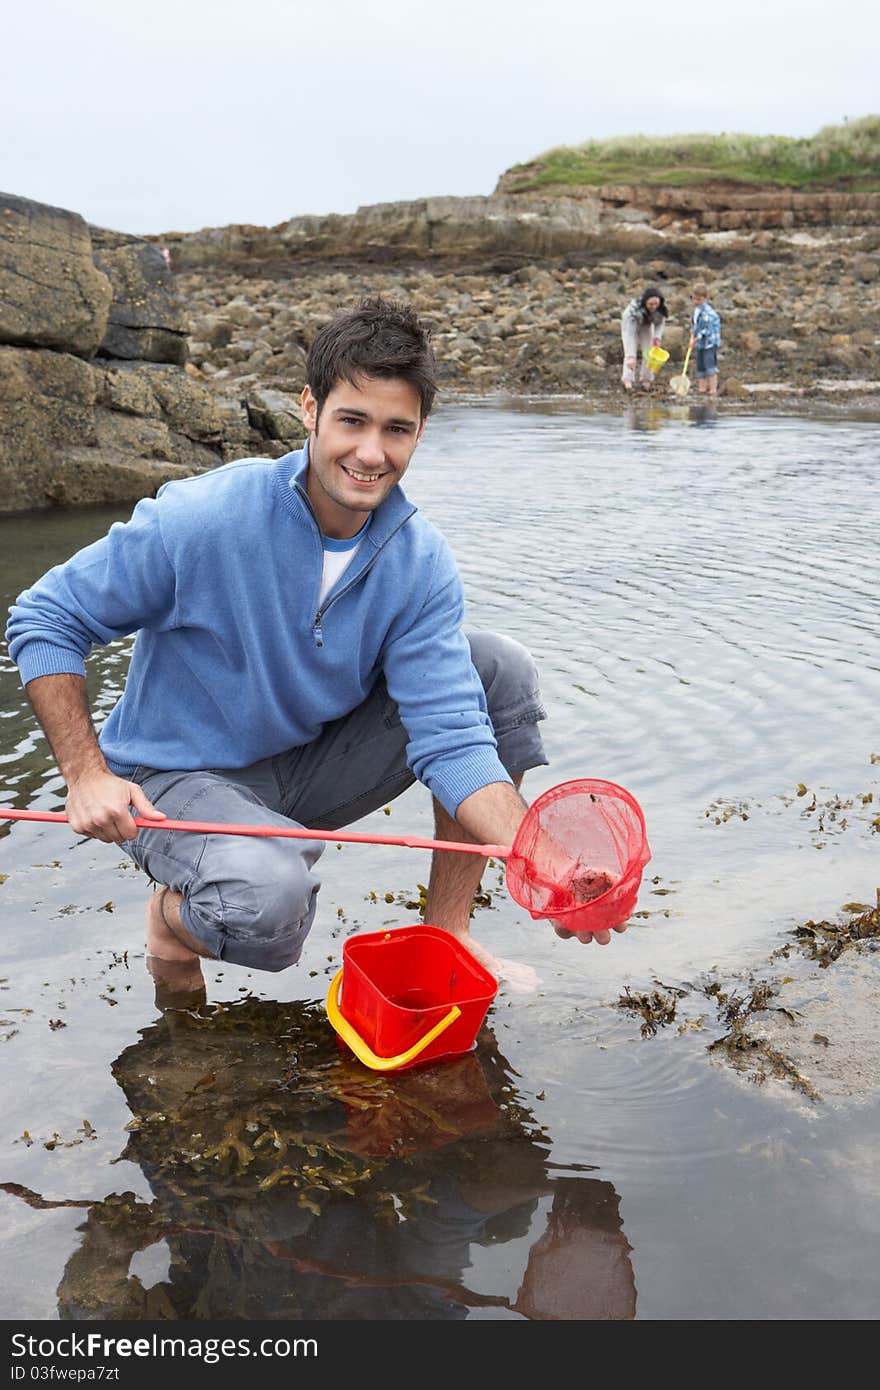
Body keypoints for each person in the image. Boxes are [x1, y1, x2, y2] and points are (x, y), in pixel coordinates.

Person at [5, 298, 629, 996]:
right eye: (352, 421)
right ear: (309, 408)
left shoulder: (418, 563)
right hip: (170, 781)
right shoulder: (205, 518)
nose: (371, 453)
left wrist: (544, 861)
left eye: (397, 429)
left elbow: (453, 742)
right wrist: (87, 773)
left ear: (421, 433)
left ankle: (448, 934)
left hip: (303, 766)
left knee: (497, 670)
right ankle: (172, 921)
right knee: (268, 904)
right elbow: (45, 618)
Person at [619, 285, 668, 391]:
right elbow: (629, 334)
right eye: (650, 304)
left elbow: (660, 324)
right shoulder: (633, 311)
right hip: (631, 325)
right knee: (630, 356)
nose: (653, 306)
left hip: (646, 325)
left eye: (656, 304)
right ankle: (628, 380)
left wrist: (657, 337)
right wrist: (631, 355)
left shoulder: (660, 310)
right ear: (645, 302)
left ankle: (646, 379)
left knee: (649, 352)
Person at [689, 282, 722, 397]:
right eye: (694, 299)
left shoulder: (708, 312)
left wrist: (695, 339)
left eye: (699, 299)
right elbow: (695, 324)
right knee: (700, 365)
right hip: (700, 344)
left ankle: (713, 389)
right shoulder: (697, 310)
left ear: (705, 298)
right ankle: (702, 388)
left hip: (710, 343)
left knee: (709, 366)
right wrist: (692, 332)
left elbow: (706, 330)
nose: (696, 301)